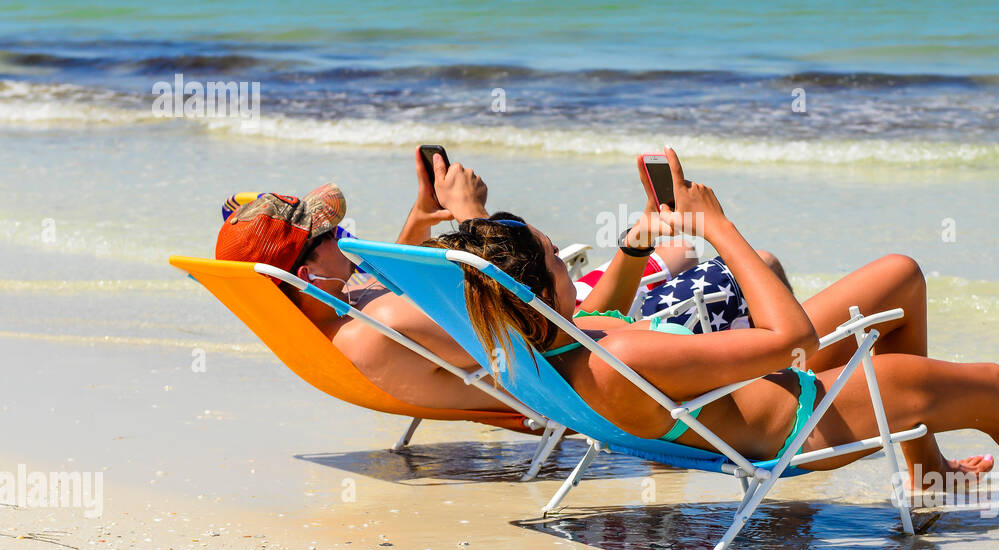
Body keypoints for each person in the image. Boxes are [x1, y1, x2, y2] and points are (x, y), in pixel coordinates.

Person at [425, 148, 999, 499]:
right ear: (542, 285)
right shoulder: (615, 350)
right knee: (998, 387)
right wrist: (716, 227)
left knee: (901, 276)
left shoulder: (539, 343)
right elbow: (794, 341)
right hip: (805, 414)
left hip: (751, 395)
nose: (575, 264)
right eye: (559, 260)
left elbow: (596, 308)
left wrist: (643, 234)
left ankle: (926, 470)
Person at [212, 148, 776, 410]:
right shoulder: (380, 328)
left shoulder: (340, 315)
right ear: (306, 269)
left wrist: (421, 219)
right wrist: (470, 217)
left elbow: (403, 288)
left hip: (574, 325)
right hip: (590, 362)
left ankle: (646, 248)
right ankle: (793, 394)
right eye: (331, 235)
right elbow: (540, 318)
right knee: (762, 267)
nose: (345, 236)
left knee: (672, 246)